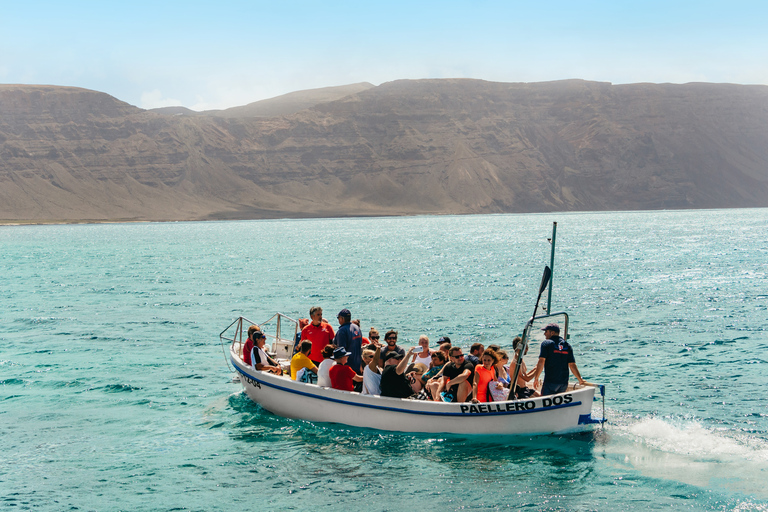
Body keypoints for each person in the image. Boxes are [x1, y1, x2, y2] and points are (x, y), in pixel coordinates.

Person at [533, 323, 587, 396]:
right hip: (563, 383)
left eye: (546, 331)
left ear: (552, 333)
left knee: (545, 402)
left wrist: (536, 378)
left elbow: (541, 362)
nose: (544, 334)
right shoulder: (567, 345)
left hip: (550, 382)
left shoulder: (546, 344)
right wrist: (580, 379)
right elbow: (572, 365)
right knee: (558, 404)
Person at [333, 308, 363, 374]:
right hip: (358, 365)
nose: (338, 319)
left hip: (348, 367)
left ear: (342, 318)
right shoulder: (357, 328)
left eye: (338, 318)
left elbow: (341, 351)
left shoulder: (342, 331)